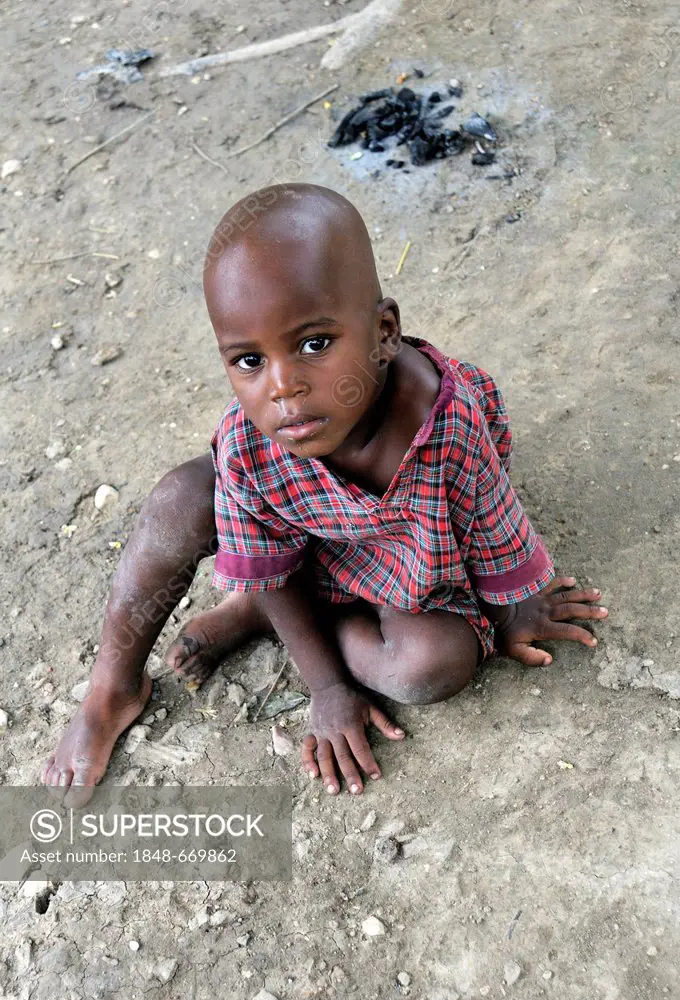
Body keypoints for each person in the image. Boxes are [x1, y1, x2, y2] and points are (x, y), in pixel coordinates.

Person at [41, 183, 608, 807]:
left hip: (404, 569)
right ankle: (112, 689)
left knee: (433, 665)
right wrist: (328, 688)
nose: (284, 388)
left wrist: (511, 611)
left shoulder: (448, 422)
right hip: (296, 546)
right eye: (249, 360)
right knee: (179, 501)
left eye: (314, 344)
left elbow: (490, 525)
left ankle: (264, 613)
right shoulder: (250, 444)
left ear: (384, 332)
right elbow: (255, 528)